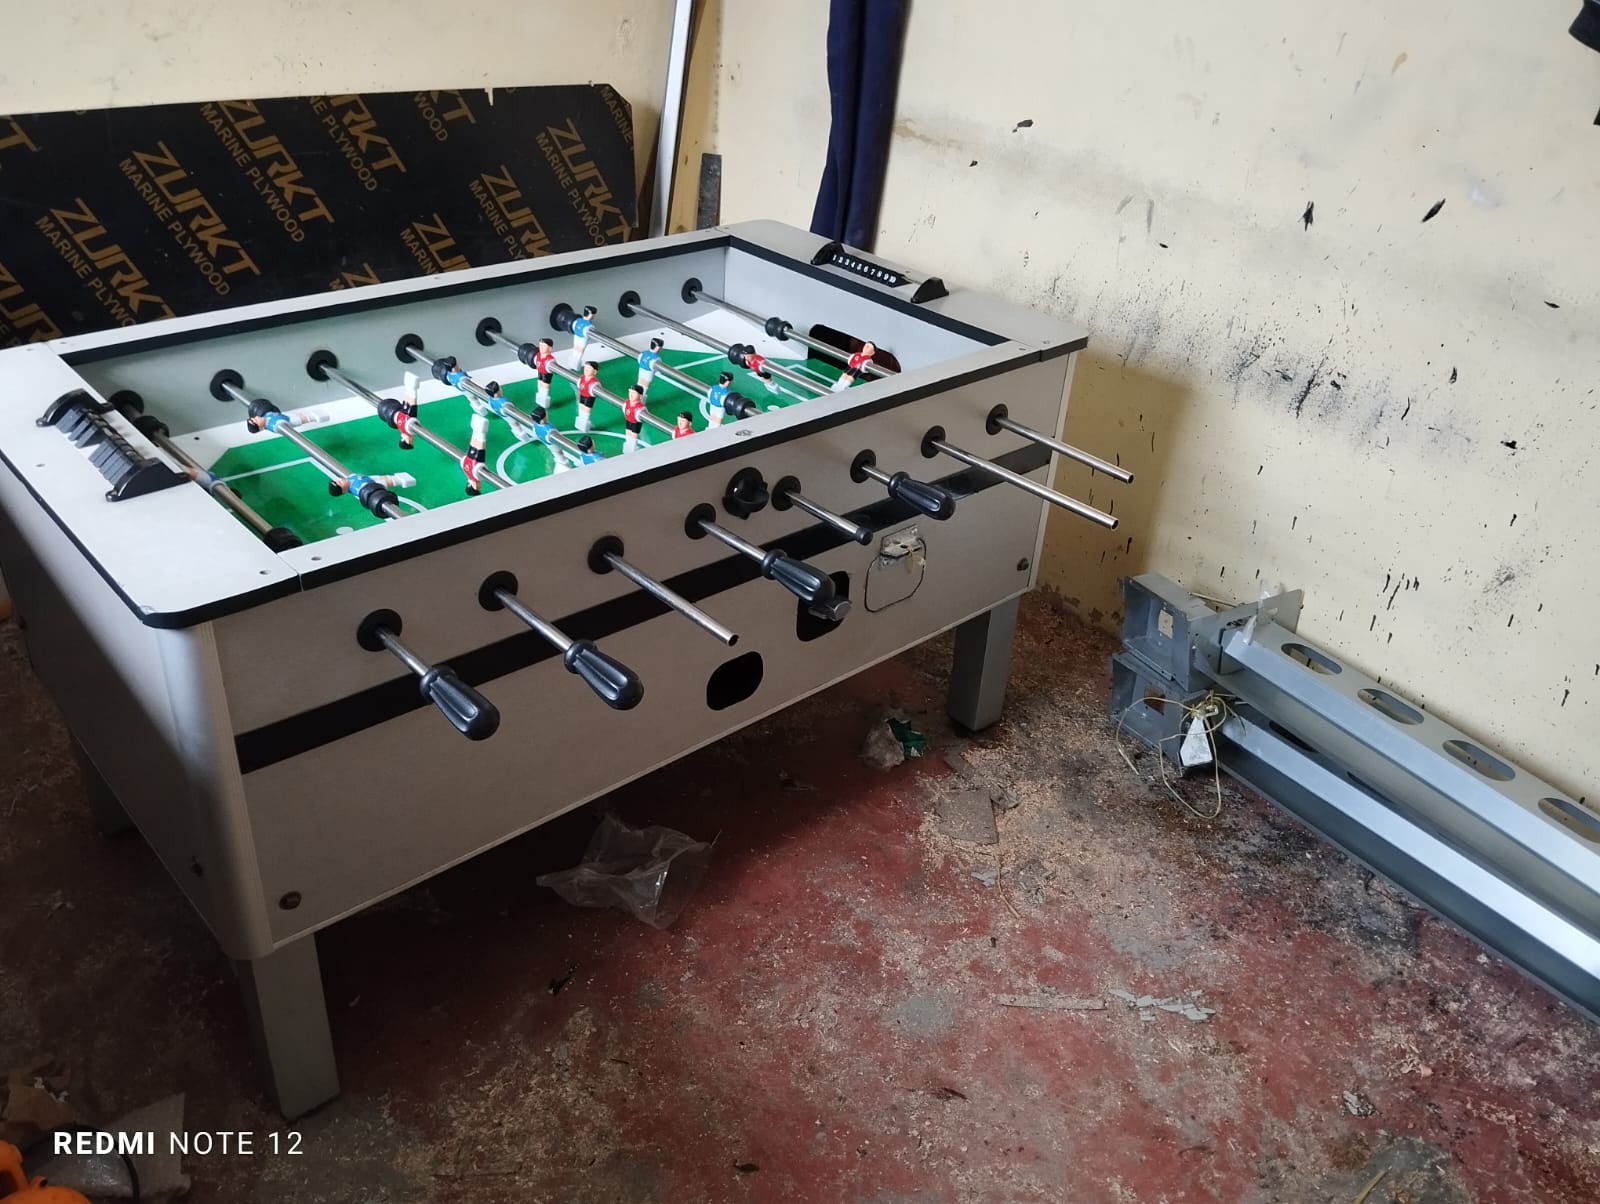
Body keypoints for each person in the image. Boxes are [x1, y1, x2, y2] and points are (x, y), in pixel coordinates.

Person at [574, 361, 602, 432]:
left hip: (589, 397)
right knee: (581, 407)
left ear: (595, 372)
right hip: (582, 395)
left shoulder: (594, 382)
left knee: (586, 409)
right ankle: (580, 421)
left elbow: (599, 389)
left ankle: (584, 422)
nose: (586, 370)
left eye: (589, 368)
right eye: (585, 367)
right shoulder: (582, 378)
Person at [621, 385, 647, 453]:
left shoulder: (640, 407)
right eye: (630, 392)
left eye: (633, 393)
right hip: (628, 420)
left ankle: (632, 447)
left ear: (640, 396)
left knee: (633, 436)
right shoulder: (627, 403)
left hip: (636, 423)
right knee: (628, 433)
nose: (631, 395)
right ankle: (628, 446)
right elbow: (624, 410)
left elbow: (644, 413)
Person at [532, 339, 557, 405]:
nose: (541, 347)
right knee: (539, 383)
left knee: (545, 385)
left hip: (546, 373)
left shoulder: (550, 359)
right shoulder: (538, 355)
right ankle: (540, 396)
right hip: (540, 371)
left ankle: (544, 398)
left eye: (543, 346)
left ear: (550, 348)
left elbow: (553, 364)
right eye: (540, 345)